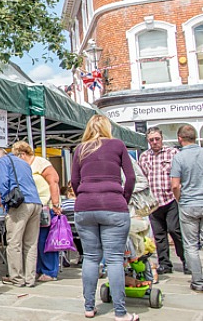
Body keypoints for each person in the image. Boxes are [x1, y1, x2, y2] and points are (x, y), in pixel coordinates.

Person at [71, 114, 137, 321]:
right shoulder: (117, 145)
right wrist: (123, 198)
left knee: (90, 258)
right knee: (115, 259)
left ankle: (89, 307)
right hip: (113, 205)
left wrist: (83, 195)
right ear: (108, 127)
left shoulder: (80, 149)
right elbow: (131, 177)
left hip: (85, 207)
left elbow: (74, 180)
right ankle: (120, 312)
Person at [138, 126, 187, 275]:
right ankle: (165, 263)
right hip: (154, 202)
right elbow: (143, 178)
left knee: (174, 230)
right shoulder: (144, 157)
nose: (154, 142)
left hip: (170, 199)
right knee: (159, 235)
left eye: (157, 139)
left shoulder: (173, 153)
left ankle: (186, 260)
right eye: (151, 140)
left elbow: (181, 174)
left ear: (162, 139)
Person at [13, 141, 62, 282]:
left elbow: (54, 181)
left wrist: (56, 203)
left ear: (22, 154)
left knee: (46, 240)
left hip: (46, 206)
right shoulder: (23, 166)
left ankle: (50, 271)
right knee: (34, 240)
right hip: (33, 206)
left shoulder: (40, 163)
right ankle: (38, 269)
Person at [0, 148, 42, 288]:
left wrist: (5, 202)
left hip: (20, 204)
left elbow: (3, 184)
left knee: (14, 242)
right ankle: (30, 278)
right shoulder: (23, 163)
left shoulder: (3, 162)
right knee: (31, 243)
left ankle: (17, 278)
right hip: (35, 202)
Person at [170, 125, 203, 292]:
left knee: (191, 245)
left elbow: (175, 185)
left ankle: (198, 281)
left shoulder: (179, 157)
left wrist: (179, 199)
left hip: (188, 203)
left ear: (180, 139)